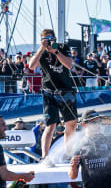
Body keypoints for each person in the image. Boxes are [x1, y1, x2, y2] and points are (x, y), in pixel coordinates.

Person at [28, 28, 79, 160]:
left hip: (66, 90)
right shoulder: (40, 52)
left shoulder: (62, 47)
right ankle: (45, 156)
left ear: (55, 39)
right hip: (49, 91)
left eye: (51, 39)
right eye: (46, 39)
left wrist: (55, 51)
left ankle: (69, 154)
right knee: (50, 124)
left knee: (71, 123)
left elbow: (68, 65)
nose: (49, 42)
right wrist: (41, 49)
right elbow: (31, 66)